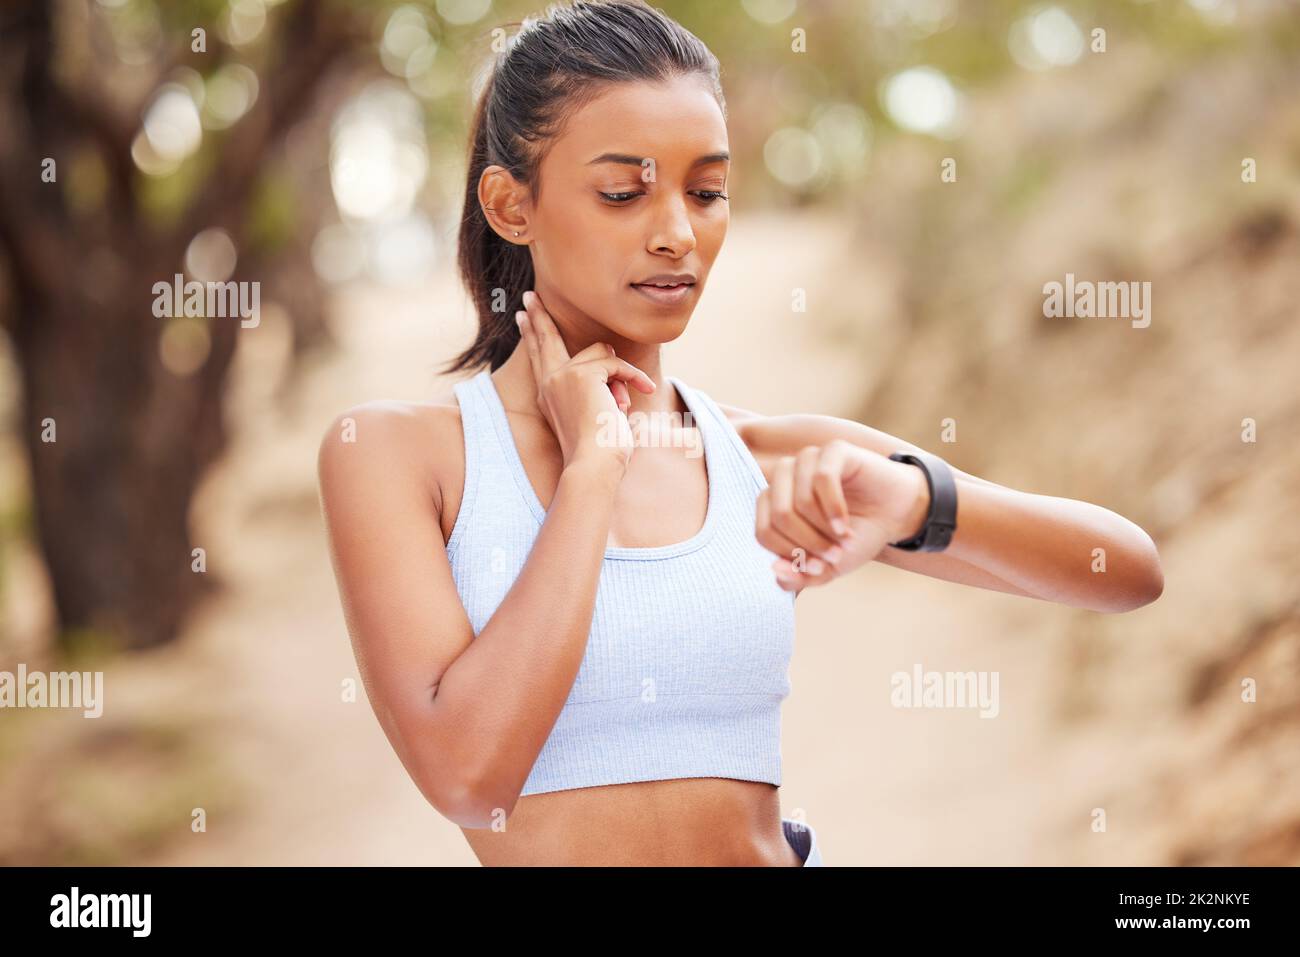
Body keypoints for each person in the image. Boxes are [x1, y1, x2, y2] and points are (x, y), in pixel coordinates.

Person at [317, 0, 1163, 867]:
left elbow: (1127, 570)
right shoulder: (401, 458)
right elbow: (470, 778)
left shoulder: (763, 457)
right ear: (510, 204)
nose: (678, 233)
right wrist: (592, 476)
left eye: (708, 191)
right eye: (623, 192)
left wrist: (914, 497)